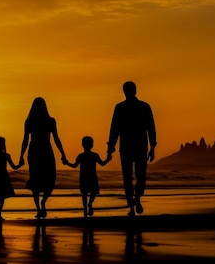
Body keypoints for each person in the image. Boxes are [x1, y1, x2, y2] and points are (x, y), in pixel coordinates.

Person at [107, 81, 157, 216]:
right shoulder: (142, 107)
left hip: (130, 146)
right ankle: (135, 201)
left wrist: (111, 147)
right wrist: (152, 147)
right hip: (137, 146)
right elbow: (151, 128)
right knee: (138, 176)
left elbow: (114, 129)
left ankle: (133, 203)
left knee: (129, 176)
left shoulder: (122, 108)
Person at [18, 97, 67, 219]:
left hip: (37, 151)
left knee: (43, 179)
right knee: (43, 180)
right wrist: (62, 153)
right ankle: (40, 206)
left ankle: (41, 205)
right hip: (42, 151)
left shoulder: (40, 121)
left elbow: (55, 138)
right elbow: (25, 139)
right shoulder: (38, 121)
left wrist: (21, 156)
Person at [64, 136, 112, 217]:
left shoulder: (81, 156)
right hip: (92, 176)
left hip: (84, 177)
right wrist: (108, 159)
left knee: (84, 194)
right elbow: (102, 164)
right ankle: (89, 204)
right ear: (92, 145)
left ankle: (86, 208)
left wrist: (67, 163)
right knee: (92, 193)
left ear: (82, 145)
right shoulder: (94, 155)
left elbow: (74, 166)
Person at [0, 136, 22, 221]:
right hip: (3, 176)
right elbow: (14, 167)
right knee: (1, 196)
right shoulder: (6, 155)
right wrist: (19, 165)